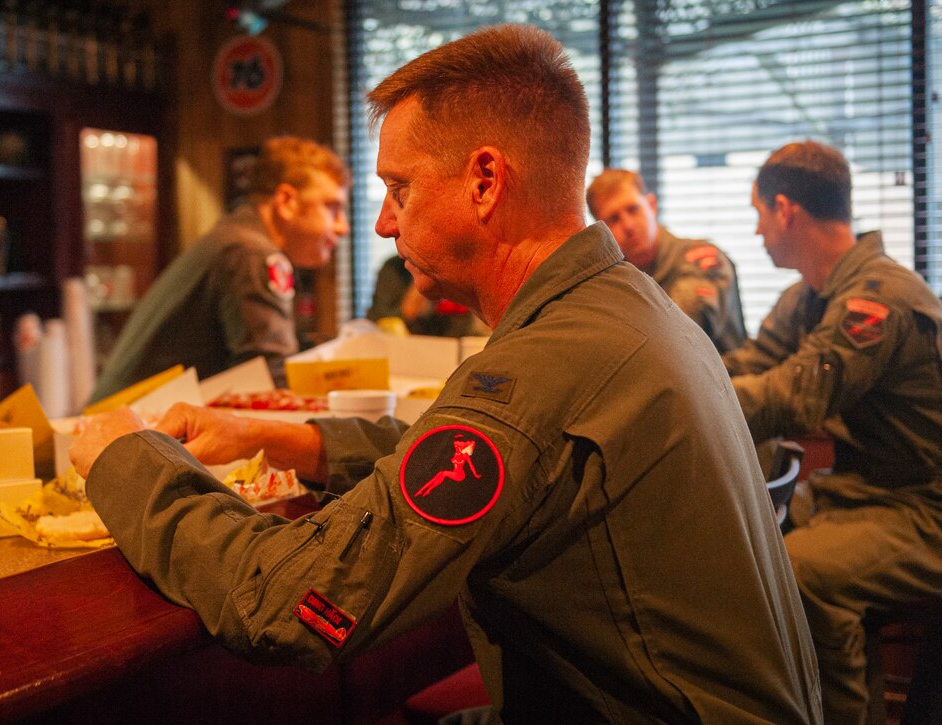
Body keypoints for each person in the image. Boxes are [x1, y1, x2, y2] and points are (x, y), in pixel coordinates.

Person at [72, 25, 821, 722]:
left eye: (400, 189)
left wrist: (126, 460)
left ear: (485, 180)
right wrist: (281, 436)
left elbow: (294, 601)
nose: (383, 224)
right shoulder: (624, 307)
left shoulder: (543, 364)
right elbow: (484, 455)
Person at [722, 140, 942, 724]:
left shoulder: (876, 300)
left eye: (759, 214)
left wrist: (687, 400)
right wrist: (676, 371)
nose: (758, 230)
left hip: (922, 508)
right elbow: (750, 364)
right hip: (864, 496)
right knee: (751, 558)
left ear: (787, 210)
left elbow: (795, 395)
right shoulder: (812, 295)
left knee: (804, 573)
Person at [88, 136, 350, 403]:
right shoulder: (252, 253)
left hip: (125, 421)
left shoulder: (235, 236)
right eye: (332, 208)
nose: (343, 227)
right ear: (286, 202)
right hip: (130, 433)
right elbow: (270, 380)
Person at [586, 169, 747, 353]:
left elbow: (681, 335)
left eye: (633, 209)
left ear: (652, 205)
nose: (628, 226)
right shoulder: (613, 283)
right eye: (614, 219)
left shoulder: (701, 259)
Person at [366, 254, 489, 337]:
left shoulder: (463, 264)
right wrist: (423, 271)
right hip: (413, 351)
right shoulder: (395, 269)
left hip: (457, 348)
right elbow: (381, 321)